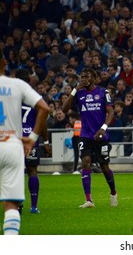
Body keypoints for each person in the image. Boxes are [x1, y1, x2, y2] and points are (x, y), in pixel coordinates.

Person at [0, 49, 49, 234]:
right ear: (4, 63)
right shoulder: (18, 86)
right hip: (16, 142)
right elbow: (44, 109)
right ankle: (33, 206)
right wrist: (36, 139)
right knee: (30, 173)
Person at [62, 68, 118, 208]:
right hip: (85, 135)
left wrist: (103, 128)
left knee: (104, 167)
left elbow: (111, 112)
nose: (84, 79)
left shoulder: (103, 92)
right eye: (82, 76)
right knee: (86, 162)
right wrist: (75, 89)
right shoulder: (79, 93)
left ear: (94, 78)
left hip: (101, 135)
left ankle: (113, 193)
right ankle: (89, 200)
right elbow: (64, 109)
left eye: (87, 76)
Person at [15, 69, 52, 214]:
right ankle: (34, 206)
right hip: (31, 139)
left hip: (14, 139)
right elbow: (42, 122)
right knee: (32, 171)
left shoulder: (10, 96)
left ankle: (17, 204)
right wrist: (46, 142)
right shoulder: (35, 97)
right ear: (29, 80)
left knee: (14, 173)